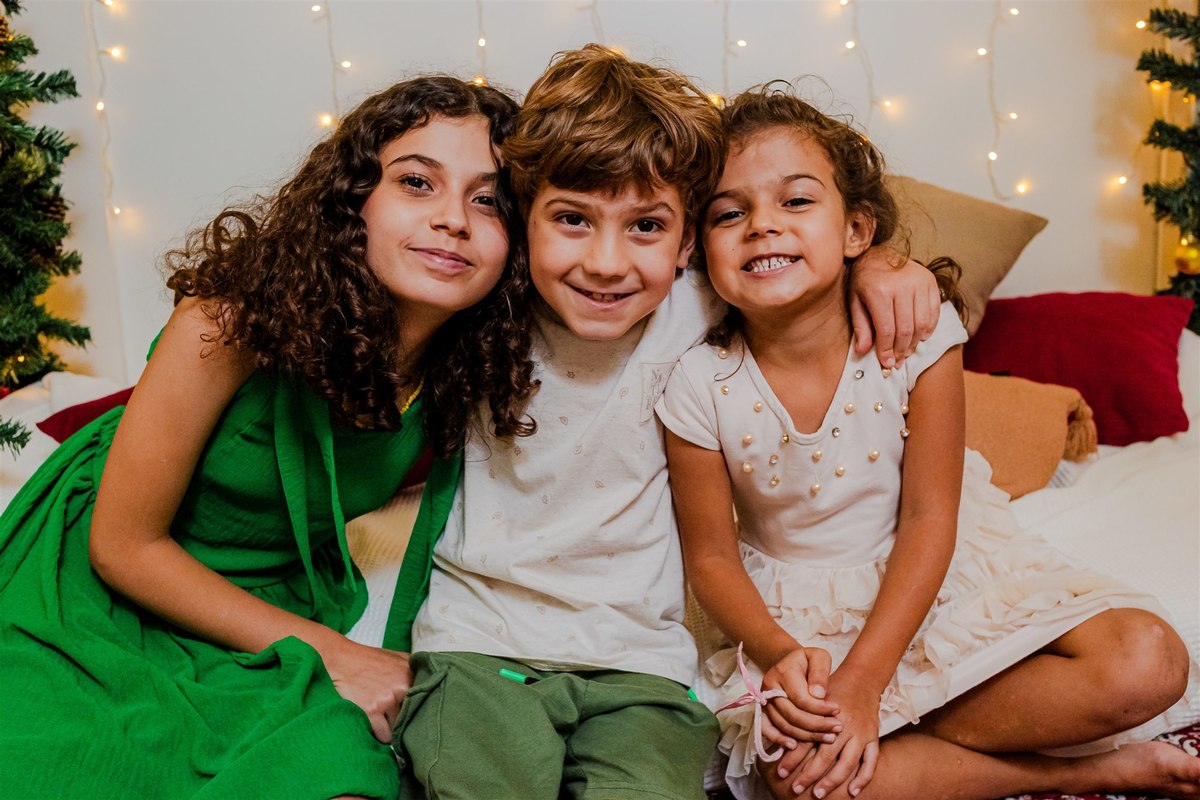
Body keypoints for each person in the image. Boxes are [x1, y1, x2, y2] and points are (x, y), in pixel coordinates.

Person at [394, 46, 942, 800]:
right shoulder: (482, 305)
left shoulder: (701, 302)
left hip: (641, 664)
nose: (607, 263)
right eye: (572, 220)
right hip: (482, 644)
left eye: (646, 226)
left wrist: (884, 263)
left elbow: (802, 267)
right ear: (522, 221)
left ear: (687, 243)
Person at [656, 84, 1198, 800]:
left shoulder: (918, 335)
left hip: (932, 579)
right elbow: (711, 558)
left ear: (858, 231)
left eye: (796, 200)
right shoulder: (697, 381)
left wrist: (864, 686)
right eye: (730, 213)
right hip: (797, 617)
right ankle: (1096, 768)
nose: (763, 225)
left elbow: (929, 518)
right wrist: (782, 654)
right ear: (700, 248)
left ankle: (890, 731)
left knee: (1150, 660)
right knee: (799, 780)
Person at [0, 76, 537, 798]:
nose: (453, 220)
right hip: (100, 585)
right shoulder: (226, 322)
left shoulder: (476, 364)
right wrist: (337, 654)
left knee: (342, 777)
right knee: (72, 764)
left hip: (270, 603)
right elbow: (122, 546)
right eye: (417, 182)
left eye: (489, 200)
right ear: (353, 200)